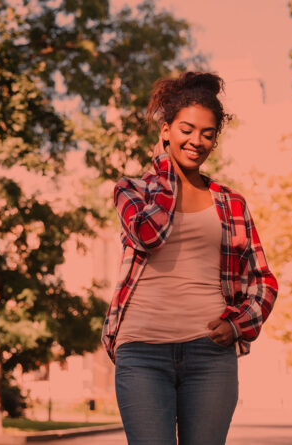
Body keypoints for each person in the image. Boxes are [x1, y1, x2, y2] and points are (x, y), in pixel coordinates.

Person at [101, 71, 278, 445]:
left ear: (215, 140)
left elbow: (263, 280)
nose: (196, 141)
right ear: (165, 130)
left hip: (209, 355)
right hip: (142, 352)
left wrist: (239, 325)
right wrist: (168, 174)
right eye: (186, 129)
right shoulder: (131, 190)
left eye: (207, 133)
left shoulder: (231, 203)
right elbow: (150, 234)